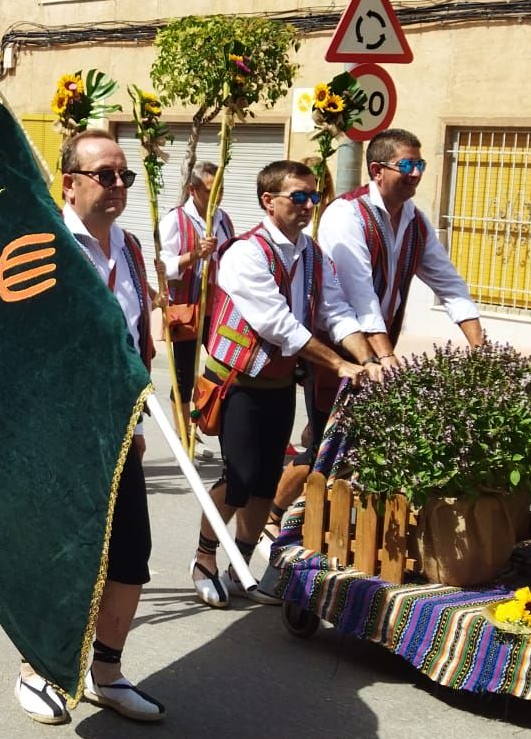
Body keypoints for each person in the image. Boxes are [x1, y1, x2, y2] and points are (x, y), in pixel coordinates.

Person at [17, 130, 165, 726]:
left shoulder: (128, 248)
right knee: (59, 554)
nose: (119, 186)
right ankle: (38, 666)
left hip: (117, 429)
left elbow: (133, 337)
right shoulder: (44, 244)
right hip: (59, 429)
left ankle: (107, 671)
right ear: (69, 182)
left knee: (131, 555)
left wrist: (137, 410)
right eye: (105, 175)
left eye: (125, 175)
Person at [190, 160, 379, 608]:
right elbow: (279, 325)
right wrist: (338, 363)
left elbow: (335, 311)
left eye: (313, 197)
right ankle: (203, 559)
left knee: (265, 481)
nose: (308, 206)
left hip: (277, 385)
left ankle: (239, 565)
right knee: (237, 479)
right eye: (298, 197)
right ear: (267, 201)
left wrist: (367, 359)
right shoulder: (244, 253)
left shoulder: (312, 253)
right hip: (239, 383)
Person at [315, 128, 485, 375]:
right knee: (328, 414)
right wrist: (385, 355)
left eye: (420, 165)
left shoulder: (416, 221)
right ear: (377, 171)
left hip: (382, 344)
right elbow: (359, 294)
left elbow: (449, 284)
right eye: (406, 165)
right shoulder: (347, 214)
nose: (415, 174)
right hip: (340, 347)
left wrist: (480, 348)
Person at [158, 161, 235, 452]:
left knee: (221, 369)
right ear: (193, 189)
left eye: (221, 189)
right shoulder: (174, 221)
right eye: (210, 189)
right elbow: (163, 265)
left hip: (217, 309)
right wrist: (193, 255)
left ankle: (208, 421)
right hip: (187, 308)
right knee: (184, 374)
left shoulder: (223, 219)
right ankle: (185, 435)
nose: (217, 195)